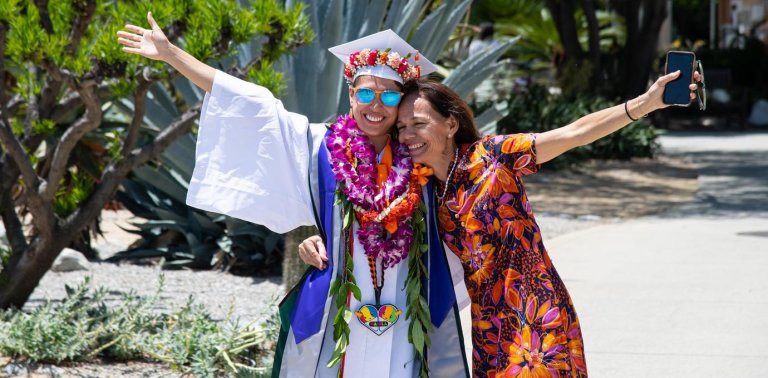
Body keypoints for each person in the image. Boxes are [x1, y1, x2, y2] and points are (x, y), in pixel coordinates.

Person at [117, 12, 471, 378]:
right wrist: (173, 54)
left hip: (406, 301)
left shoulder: (420, 154)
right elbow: (254, 105)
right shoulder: (319, 145)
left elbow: (479, 170)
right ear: (351, 94)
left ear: (402, 101)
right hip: (339, 301)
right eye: (365, 92)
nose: (375, 105)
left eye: (389, 95)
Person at [300, 72, 700, 376]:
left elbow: (575, 134)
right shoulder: (420, 193)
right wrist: (318, 237)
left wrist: (646, 103)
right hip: (487, 325)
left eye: (418, 123)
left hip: (539, 314)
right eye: (401, 127)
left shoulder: (496, 156)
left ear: (450, 124)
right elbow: (371, 225)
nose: (407, 135)